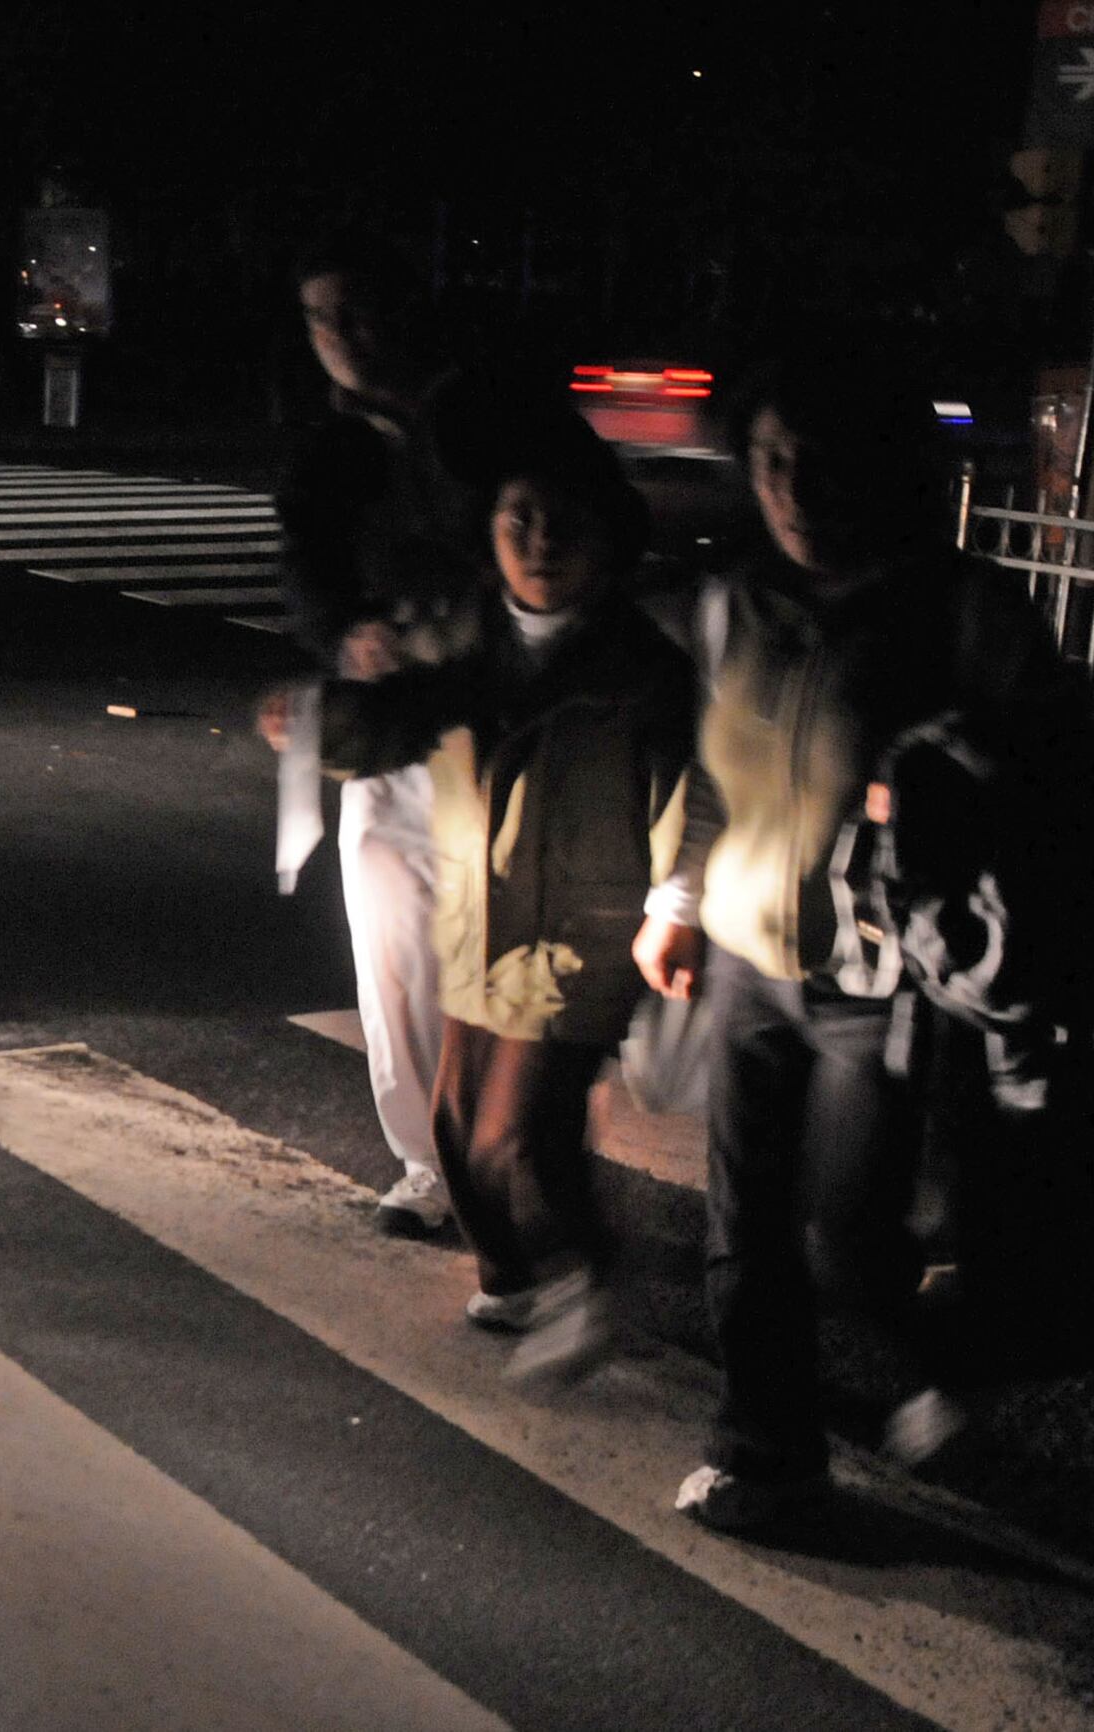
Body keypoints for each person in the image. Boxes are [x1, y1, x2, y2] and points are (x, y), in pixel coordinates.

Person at [636, 337, 1094, 1532]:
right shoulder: (734, 605)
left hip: (890, 984)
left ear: (885, 463)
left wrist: (960, 781)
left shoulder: (965, 611)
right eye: (770, 460)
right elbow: (716, 774)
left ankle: (953, 1352)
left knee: (846, 1237)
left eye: (823, 459)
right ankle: (769, 1457)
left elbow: (1073, 800)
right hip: (750, 959)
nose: (793, 489)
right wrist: (678, 902)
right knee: (743, 1230)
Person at [306, 405, 695, 1380]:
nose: (541, 541)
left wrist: (675, 908)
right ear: (488, 530)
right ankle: (513, 1277)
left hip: (581, 929)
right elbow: (393, 724)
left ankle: (589, 1280)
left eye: (565, 522)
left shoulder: (640, 664)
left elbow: (689, 793)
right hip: (479, 919)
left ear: (607, 536)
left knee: (519, 1129)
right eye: (519, 518)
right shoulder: (471, 644)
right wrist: (321, 722)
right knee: (456, 1123)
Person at [271, 226, 490, 1236]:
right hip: (393, 729)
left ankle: (508, 1148)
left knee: (502, 951)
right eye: (321, 319)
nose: (342, 337)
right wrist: (345, 635)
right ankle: (427, 1163)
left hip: (500, 722)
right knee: (393, 949)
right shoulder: (327, 448)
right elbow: (306, 577)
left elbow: (589, 519)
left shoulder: (486, 413)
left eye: (358, 313)